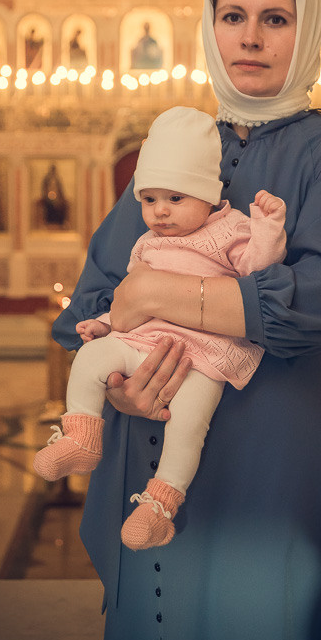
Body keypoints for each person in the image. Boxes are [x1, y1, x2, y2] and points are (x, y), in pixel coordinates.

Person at [53, 0, 321, 640]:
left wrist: (154, 290)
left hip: (280, 444)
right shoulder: (174, 150)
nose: (250, 37)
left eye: (276, 19)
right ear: (209, 28)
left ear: (307, 31)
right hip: (149, 439)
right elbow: (91, 301)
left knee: (269, 617)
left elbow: (311, 304)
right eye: (233, 16)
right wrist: (121, 387)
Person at [34, 107, 286, 550]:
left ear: (208, 196)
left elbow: (257, 269)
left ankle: (159, 506)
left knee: (188, 425)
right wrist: (103, 324)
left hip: (204, 354)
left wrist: (268, 228)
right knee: (91, 357)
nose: (160, 212)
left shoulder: (230, 230)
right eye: (149, 200)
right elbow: (129, 295)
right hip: (143, 339)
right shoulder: (147, 243)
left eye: (175, 198)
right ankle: (83, 436)